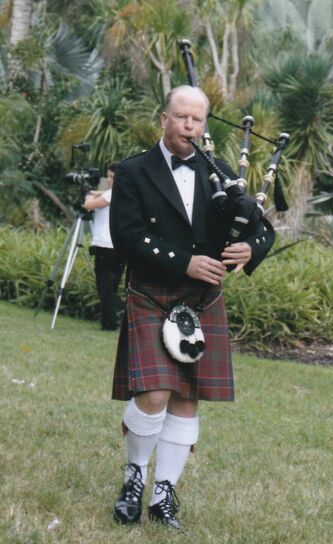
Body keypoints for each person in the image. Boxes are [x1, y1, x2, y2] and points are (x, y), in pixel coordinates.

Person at [109, 85, 274, 529]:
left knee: (186, 399)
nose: (188, 126)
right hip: (152, 293)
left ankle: (164, 494)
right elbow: (126, 235)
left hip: (202, 301)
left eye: (196, 120)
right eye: (180, 117)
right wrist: (185, 262)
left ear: (205, 125)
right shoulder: (133, 171)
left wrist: (249, 250)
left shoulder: (219, 172)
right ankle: (134, 477)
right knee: (154, 393)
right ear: (163, 119)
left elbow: (263, 229)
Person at [83, 163, 125, 331]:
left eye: (112, 177)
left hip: (104, 245)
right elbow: (103, 194)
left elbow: (89, 206)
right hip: (120, 247)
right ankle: (109, 319)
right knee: (112, 286)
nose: (109, 180)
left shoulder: (111, 194)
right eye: (108, 176)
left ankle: (109, 323)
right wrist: (94, 192)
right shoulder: (124, 193)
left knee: (104, 286)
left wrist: (86, 195)